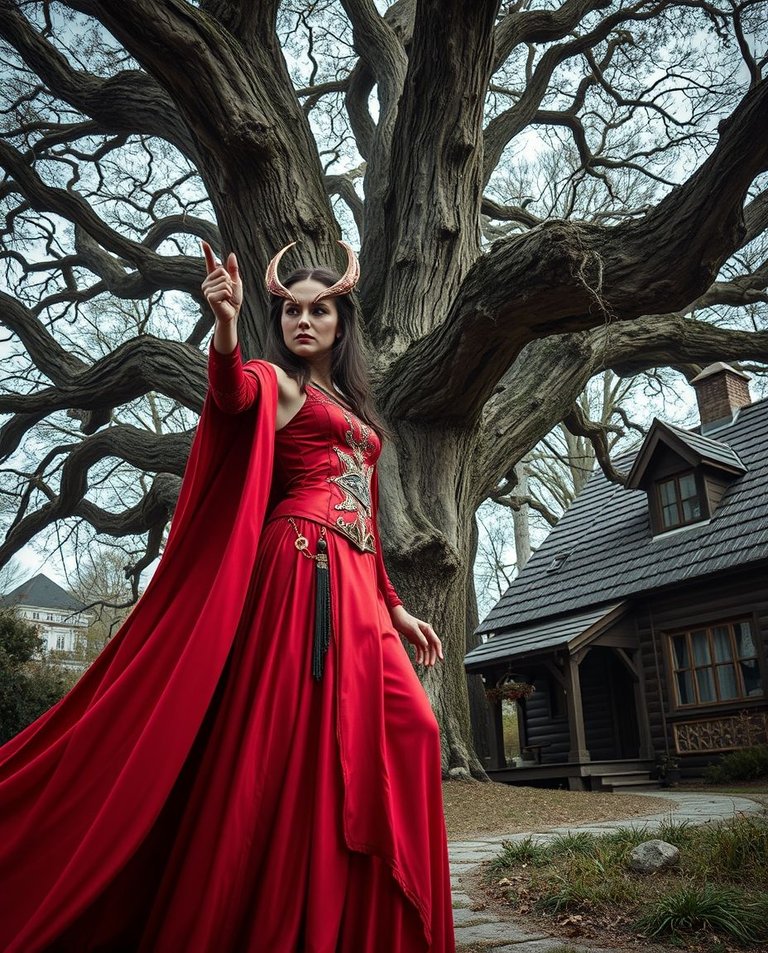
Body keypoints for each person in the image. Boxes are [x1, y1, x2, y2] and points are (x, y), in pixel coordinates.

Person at [0, 238, 456, 953]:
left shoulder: (354, 406)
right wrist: (226, 325)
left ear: (342, 322)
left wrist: (396, 607)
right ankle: (287, 912)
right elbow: (230, 395)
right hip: (301, 572)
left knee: (414, 728)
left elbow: (367, 514)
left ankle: (367, 926)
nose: (304, 321)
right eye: (292, 311)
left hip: (358, 588)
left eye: (320, 311)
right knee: (293, 749)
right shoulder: (279, 383)